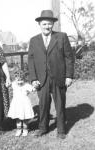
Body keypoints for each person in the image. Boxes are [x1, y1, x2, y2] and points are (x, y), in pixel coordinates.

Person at [28, 10, 74, 139]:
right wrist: (33, 79)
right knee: (43, 105)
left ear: (53, 24)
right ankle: (43, 128)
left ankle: (61, 130)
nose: (47, 26)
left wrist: (69, 76)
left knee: (60, 104)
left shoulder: (61, 37)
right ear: (39, 24)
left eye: (49, 24)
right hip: (41, 79)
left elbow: (69, 57)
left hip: (58, 77)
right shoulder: (34, 40)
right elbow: (31, 60)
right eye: (44, 24)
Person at [7, 70, 35, 136]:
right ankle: (19, 130)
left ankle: (25, 130)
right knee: (18, 118)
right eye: (18, 80)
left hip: (24, 104)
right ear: (15, 79)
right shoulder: (13, 84)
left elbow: (33, 89)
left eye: (21, 80)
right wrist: (7, 83)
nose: (19, 82)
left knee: (25, 118)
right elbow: (7, 86)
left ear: (24, 79)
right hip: (16, 104)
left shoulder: (26, 85)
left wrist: (35, 87)